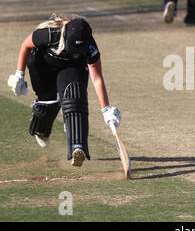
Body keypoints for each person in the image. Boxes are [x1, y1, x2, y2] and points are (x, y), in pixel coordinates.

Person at [7, 13, 121, 167]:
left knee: (75, 98)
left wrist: (107, 109)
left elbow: (97, 77)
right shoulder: (49, 33)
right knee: (47, 104)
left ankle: (77, 147)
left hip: (71, 68)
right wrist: (19, 75)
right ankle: (42, 129)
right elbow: (26, 46)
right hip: (43, 66)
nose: (76, 52)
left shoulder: (89, 44)